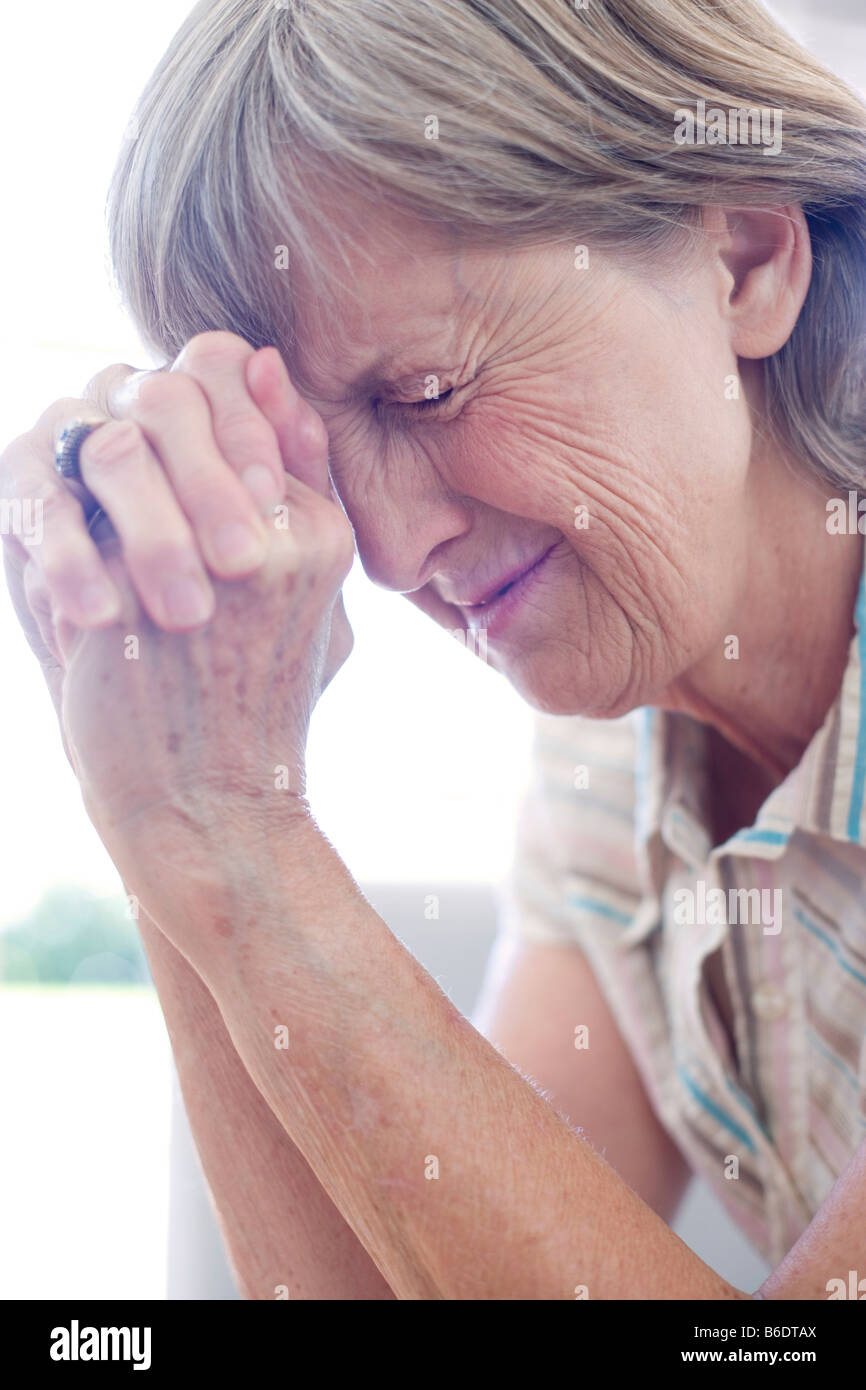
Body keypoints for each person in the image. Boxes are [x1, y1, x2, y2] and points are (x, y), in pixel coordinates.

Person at [3, 0, 866, 1298]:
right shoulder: (610, 782)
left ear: (740, 256)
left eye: (424, 394)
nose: (393, 552)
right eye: (320, 465)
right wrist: (164, 812)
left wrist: (243, 833)